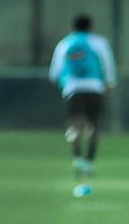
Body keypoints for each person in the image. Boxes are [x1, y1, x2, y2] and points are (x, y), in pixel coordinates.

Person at [48, 14, 117, 173]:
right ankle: (89, 160)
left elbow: (54, 73)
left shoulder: (64, 44)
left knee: (74, 124)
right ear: (90, 27)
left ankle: (77, 157)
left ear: (73, 27)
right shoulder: (99, 42)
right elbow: (108, 64)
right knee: (94, 124)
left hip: (73, 89)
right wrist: (110, 83)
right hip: (94, 88)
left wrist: (64, 84)